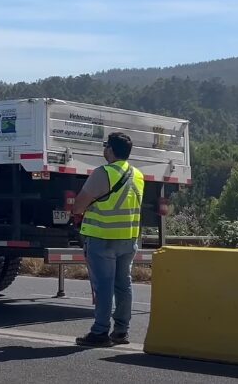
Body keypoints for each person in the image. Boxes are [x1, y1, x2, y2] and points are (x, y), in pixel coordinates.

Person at [71, 131, 144, 347]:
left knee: (103, 286)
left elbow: (79, 205)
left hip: (102, 238)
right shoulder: (138, 175)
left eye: (106, 146)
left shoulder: (103, 173)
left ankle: (100, 332)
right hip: (128, 240)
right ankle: (121, 332)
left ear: (110, 150)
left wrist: (79, 212)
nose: (104, 150)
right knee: (124, 286)